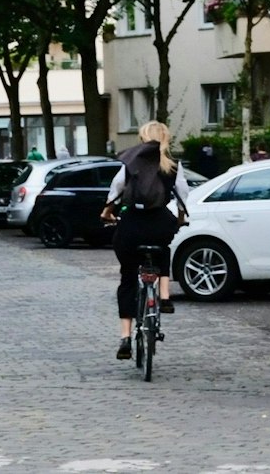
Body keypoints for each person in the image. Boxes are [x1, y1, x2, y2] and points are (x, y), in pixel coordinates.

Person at [100, 120, 192, 360]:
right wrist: (180, 218)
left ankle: (125, 338)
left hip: (132, 224)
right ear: (166, 139)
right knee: (163, 248)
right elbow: (182, 194)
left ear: (143, 139)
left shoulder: (132, 162)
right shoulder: (173, 166)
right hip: (160, 222)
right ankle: (164, 297)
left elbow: (117, 189)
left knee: (128, 277)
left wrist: (107, 212)